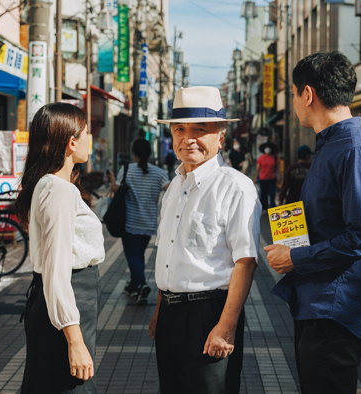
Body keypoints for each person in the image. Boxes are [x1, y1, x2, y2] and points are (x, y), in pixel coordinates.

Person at [264, 52, 361, 394]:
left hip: (335, 308)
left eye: (293, 92)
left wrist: (295, 258)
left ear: (307, 94)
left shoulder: (353, 149)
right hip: (317, 303)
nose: (294, 102)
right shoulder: (332, 146)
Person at [150, 86, 261, 394]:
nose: (189, 138)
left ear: (221, 137)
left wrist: (226, 327)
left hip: (208, 313)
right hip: (170, 314)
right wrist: (160, 309)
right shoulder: (173, 186)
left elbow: (246, 261)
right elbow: (170, 253)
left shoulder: (236, 187)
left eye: (201, 130)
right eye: (180, 129)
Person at [15, 103, 105, 393]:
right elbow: (57, 270)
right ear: (71, 142)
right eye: (87, 133)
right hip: (67, 301)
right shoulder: (59, 189)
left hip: (59, 303)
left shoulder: (50, 185)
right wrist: (75, 341)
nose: (90, 139)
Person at [107, 139, 170, 304]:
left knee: (133, 255)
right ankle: (134, 285)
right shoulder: (159, 172)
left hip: (130, 223)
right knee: (138, 255)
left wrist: (113, 181)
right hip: (148, 224)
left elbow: (117, 191)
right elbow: (171, 191)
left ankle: (141, 284)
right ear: (150, 154)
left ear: (133, 153)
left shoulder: (127, 170)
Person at [255, 145, 279, 210]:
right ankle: (265, 208)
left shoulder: (274, 158)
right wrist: (256, 177)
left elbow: (277, 168)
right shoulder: (261, 158)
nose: (267, 149)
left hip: (272, 178)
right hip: (263, 178)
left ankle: (272, 207)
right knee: (264, 194)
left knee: (272, 193)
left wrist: (279, 177)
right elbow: (258, 168)